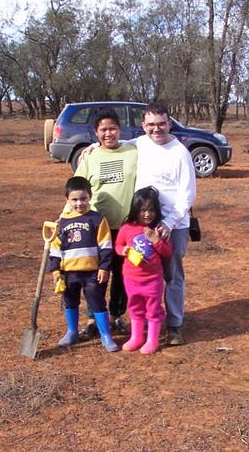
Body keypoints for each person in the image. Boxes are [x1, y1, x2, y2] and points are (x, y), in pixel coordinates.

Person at [134, 102, 196, 346]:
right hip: (145, 221)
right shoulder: (140, 143)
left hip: (174, 224)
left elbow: (187, 195)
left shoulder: (180, 153)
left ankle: (174, 325)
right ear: (143, 126)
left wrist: (169, 223)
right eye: (150, 124)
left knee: (172, 276)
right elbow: (116, 145)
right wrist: (93, 146)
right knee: (144, 273)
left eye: (161, 123)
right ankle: (149, 322)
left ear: (169, 123)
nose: (156, 129)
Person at [73, 109, 138, 339]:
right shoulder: (90, 157)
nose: (108, 133)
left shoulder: (133, 151)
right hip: (97, 228)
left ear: (120, 129)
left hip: (126, 227)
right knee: (95, 276)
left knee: (122, 274)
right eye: (103, 129)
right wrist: (64, 220)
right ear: (96, 132)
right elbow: (76, 188)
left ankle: (116, 316)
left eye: (112, 128)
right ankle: (93, 318)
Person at [48, 176, 119, 352]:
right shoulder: (62, 222)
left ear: (90, 196)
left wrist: (104, 266)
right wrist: (56, 270)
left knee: (97, 302)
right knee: (70, 301)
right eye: (74, 200)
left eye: (83, 199)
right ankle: (72, 331)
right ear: (67, 200)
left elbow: (105, 245)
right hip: (69, 272)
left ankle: (105, 335)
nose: (79, 203)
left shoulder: (97, 219)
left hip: (92, 272)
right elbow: (56, 248)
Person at [115, 187, 172, 354]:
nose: (147, 214)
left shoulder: (159, 229)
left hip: (152, 278)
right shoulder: (127, 228)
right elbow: (118, 244)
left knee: (153, 308)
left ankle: (152, 340)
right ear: (135, 210)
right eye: (143, 210)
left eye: (151, 210)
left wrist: (156, 240)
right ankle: (137, 337)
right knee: (134, 306)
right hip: (131, 278)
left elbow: (168, 252)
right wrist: (122, 250)